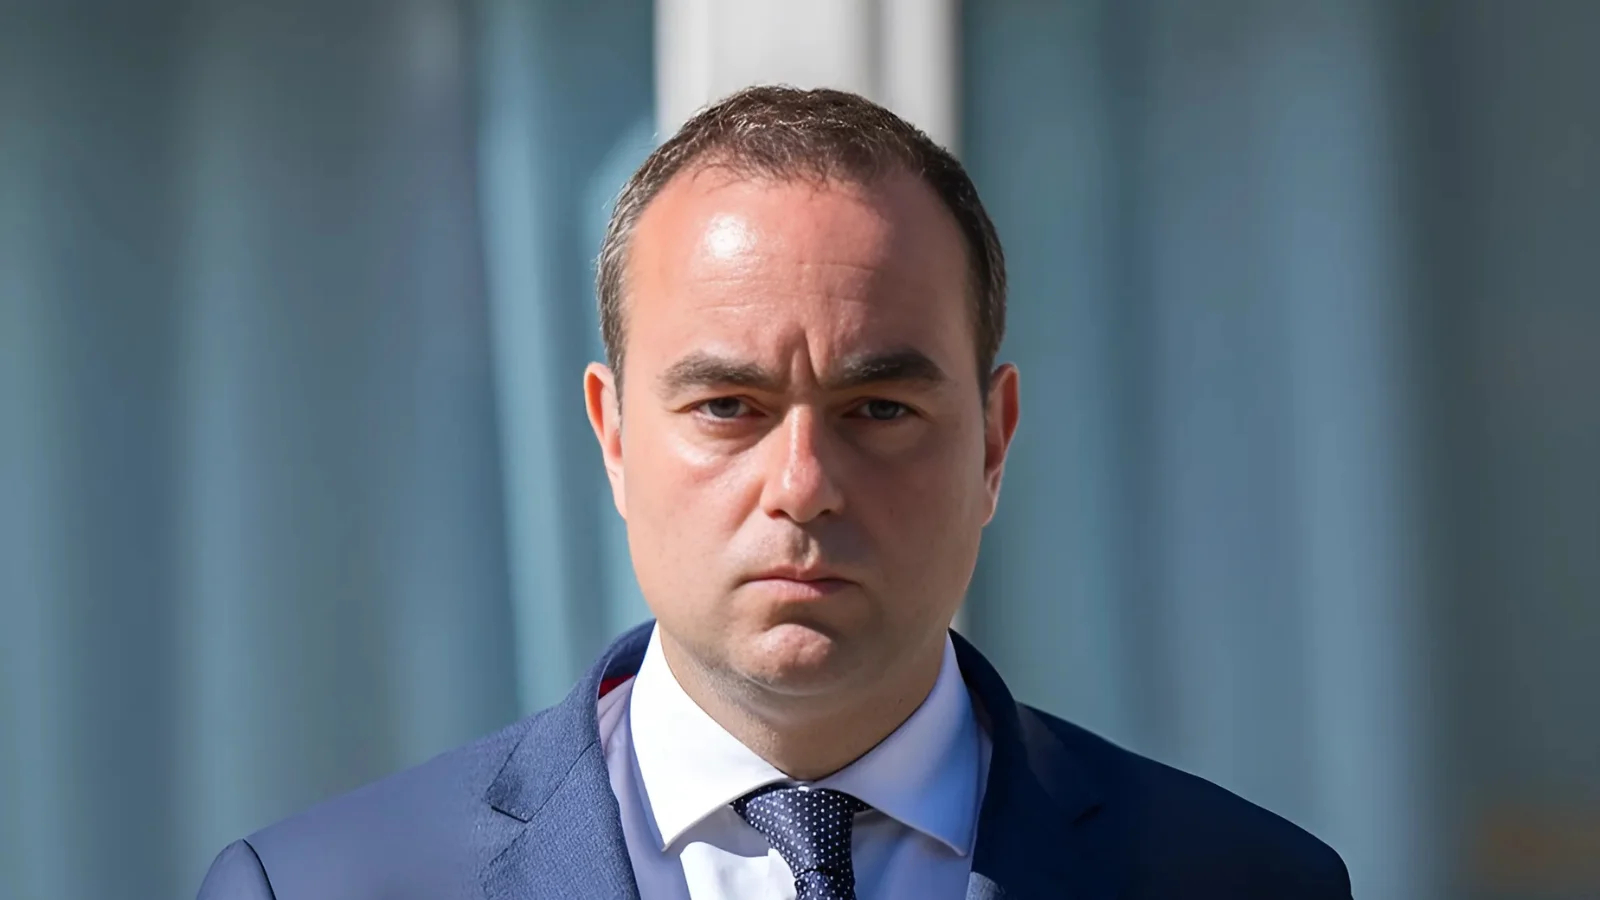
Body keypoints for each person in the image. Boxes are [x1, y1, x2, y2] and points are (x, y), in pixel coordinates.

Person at [197, 85, 1351, 900]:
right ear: (611, 435)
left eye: (879, 409)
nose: (802, 486)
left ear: (993, 442)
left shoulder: (1243, 883)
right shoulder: (315, 889)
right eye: (727, 408)